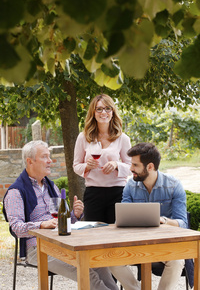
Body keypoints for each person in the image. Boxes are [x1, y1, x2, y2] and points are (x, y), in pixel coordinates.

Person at [3, 140, 119, 290]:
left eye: (49, 156)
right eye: (45, 157)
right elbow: (16, 228)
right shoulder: (16, 192)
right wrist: (41, 225)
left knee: (100, 266)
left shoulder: (51, 187)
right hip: (38, 249)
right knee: (87, 272)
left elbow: (60, 220)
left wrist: (75, 215)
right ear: (30, 161)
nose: (50, 161)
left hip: (62, 243)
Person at [120, 142, 188, 290]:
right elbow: (123, 218)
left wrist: (163, 220)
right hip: (136, 243)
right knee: (107, 259)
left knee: (177, 260)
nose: (131, 169)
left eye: (135, 165)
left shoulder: (173, 185)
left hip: (164, 244)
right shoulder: (130, 186)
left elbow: (183, 223)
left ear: (150, 167)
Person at [73, 93, 132, 224]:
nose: (103, 112)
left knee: (117, 234)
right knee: (94, 235)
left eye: (107, 108)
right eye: (99, 109)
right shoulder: (83, 138)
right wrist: (87, 166)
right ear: (93, 113)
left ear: (112, 112)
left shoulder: (123, 138)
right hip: (93, 193)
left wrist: (116, 165)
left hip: (118, 193)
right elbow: (76, 166)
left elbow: (132, 168)